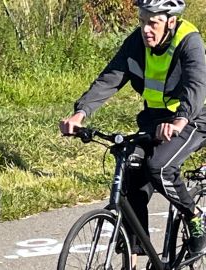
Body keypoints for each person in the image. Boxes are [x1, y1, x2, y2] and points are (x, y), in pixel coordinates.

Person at [59, 0, 206, 264]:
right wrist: (80, 114)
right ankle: (134, 256)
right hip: (153, 120)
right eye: (141, 21)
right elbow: (110, 78)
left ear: (170, 22)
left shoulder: (189, 40)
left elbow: (196, 85)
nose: (146, 28)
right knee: (131, 173)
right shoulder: (136, 42)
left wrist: (180, 121)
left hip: (194, 117)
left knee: (159, 167)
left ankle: (193, 217)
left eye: (153, 22)